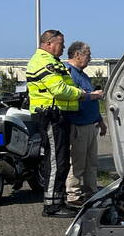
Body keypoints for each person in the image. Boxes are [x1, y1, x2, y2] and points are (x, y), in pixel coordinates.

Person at [26, 30, 102, 218]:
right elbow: (59, 89)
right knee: (55, 162)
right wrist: (84, 95)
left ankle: (57, 202)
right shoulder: (43, 62)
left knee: (60, 162)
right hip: (50, 115)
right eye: (61, 44)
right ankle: (51, 205)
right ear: (49, 43)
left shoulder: (54, 62)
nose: (63, 48)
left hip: (59, 115)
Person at [64, 41, 106, 207]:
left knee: (91, 162)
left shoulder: (83, 75)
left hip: (90, 124)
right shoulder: (69, 73)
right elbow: (77, 96)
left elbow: (90, 100)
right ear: (77, 55)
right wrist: (93, 95)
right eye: (88, 55)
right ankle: (73, 195)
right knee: (78, 163)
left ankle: (91, 192)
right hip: (78, 125)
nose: (90, 58)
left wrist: (100, 121)